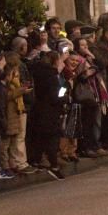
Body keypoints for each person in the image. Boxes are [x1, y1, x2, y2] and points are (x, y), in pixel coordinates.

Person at [28, 50, 67, 180]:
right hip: (50, 110)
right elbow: (54, 96)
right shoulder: (51, 76)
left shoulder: (36, 73)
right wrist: (64, 96)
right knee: (52, 137)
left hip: (37, 109)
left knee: (39, 136)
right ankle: (53, 164)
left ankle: (36, 159)